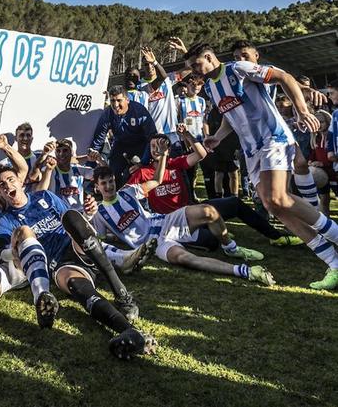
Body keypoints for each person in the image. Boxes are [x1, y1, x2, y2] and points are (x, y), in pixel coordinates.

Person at [186, 43, 338, 289]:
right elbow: (230, 113)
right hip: (252, 151)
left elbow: (284, 77)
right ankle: (333, 262)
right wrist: (219, 136)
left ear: (209, 57)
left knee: (279, 197)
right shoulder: (212, 86)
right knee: (273, 206)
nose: (194, 70)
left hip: (272, 139)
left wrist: (300, 111)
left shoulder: (238, 69)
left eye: (195, 64)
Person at [0, 166, 151, 360]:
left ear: (21, 181)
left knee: (71, 216)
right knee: (77, 286)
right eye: (2, 185)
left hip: (77, 246)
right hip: (60, 264)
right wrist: (12, 252)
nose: (7, 186)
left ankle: (122, 296)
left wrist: (87, 214)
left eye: (11, 180)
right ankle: (128, 331)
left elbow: (72, 220)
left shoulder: (44, 197)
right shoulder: (7, 220)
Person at [88, 157, 274, 286]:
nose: (109, 186)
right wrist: (124, 238)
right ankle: (244, 271)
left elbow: (156, 180)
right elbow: (103, 239)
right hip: (154, 244)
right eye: (103, 183)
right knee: (186, 259)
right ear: (97, 187)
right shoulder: (98, 212)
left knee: (209, 211)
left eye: (111, 181)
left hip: (165, 222)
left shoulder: (128, 191)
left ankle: (231, 248)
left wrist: (163, 157)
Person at [126, 125, 285, 243]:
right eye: (153, 146)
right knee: (213, 241)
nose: (156, 149)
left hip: (193, 209)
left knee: (235, 203)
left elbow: (201, 154)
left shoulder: (175, 163)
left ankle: (276, 237)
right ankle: (211, 230)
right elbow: (125, 196)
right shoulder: (143, 172)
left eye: (160, 145)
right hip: (173, 222)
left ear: (167, 148)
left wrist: (187, 135)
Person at [232, 40, 323, 208]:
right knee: (273, 190)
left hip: (274, 130)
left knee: (301, 164)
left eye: (245, 55)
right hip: (253, 137)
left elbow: (289, 80)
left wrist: (306, 90)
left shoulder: (269, 70)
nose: (241, 60)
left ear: (256, 55)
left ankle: (314, 210)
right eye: (237, 57)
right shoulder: (235, 76)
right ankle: (270, 210)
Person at [91, 86, 157, 186]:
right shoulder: (108, 113)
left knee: (135, 172)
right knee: (113, 171)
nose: (115, 105)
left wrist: (143, 162)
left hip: (141, 144)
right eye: (112, 101)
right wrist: (94, 156)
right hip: (120, 144)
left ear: (127, 100)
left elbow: (152, 137)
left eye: (119, 100)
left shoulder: (139, 111)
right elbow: (99, 138)